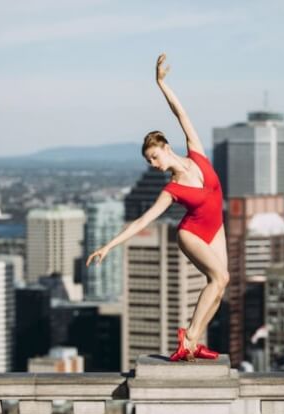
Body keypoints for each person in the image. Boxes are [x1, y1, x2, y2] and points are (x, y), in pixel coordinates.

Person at [86, 53, 228, 361]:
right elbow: (141, 222)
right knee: (218, 278)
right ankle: (188, 336)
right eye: (149, 161)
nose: (153, 164)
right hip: (191, 233)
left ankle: (193, 343)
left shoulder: (197, 153)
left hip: (215, 227)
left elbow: (181, 113)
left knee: (220, 284)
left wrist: (161, 83)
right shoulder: (171, 189)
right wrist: (108, 246)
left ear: (165, 147)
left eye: (154, 157)